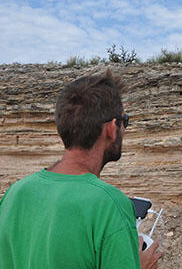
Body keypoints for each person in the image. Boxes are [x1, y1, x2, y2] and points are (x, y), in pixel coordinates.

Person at [0, 70, 162, 269]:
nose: (124, 129)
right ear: (111, 128)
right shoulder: (110, 205)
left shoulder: (15, 194)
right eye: (124, 121)